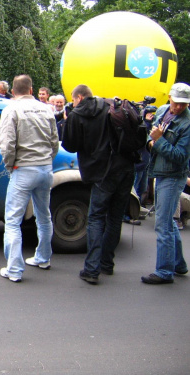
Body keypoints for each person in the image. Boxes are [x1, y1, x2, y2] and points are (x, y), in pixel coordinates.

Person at [61, 84, 146, 284]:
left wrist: (67, 124)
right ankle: (107, 263)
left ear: (79, 98)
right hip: (126, 167)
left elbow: (69, 145)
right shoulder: (111, 105)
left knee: (96, 217)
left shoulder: (77, 114)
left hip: (102, 171)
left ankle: (91, 269)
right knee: (115, 217)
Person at [0, 75, 59, 282]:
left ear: (13, 92)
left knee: (13, 221)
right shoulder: (47, 109)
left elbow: (6, 144)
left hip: (23, 169)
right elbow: (55, 142)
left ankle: (14, 269)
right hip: (45, 168)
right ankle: (43, 258)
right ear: (31, 90)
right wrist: (47, 160)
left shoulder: (11, 109)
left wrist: (10, 165)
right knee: (44, 215)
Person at [141, 82, 190, 284]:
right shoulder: (162, 111)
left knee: (162, 225)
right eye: (176, 102)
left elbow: (180, 156)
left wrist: (158, 141)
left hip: (173, 175)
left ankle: (164, 271)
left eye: (184, 104)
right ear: (169, 97)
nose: (179, 107)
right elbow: (151, 135)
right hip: (161, 172)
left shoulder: (187, 124)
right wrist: (151, 141)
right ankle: (178, 264)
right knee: (167, 221)